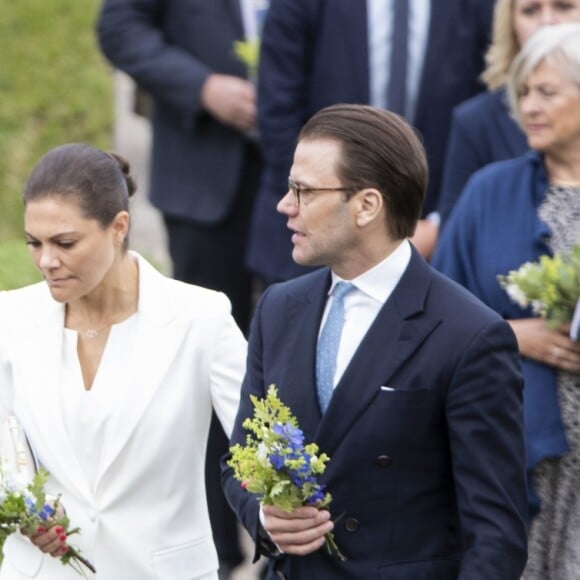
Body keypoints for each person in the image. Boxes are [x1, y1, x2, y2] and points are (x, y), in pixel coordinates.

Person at [223, 104, 528, 579]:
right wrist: (265, 518)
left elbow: (495, 532)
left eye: (303, 190)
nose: (286, 205)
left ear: (367, 205)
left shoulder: (469, 335)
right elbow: (239, 456)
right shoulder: (279, 309)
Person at [0, 143, 246, 579]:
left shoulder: (201, 318)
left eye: (65, 242)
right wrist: (18, 512)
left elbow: (261, 446)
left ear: (119, 227)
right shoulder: (10, 319)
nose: (46, 261)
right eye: (34, 243)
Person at [97, 3, 267, 575]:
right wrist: (202, 87)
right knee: (197, 364)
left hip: (308, 168)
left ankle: (294, 538)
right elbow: (120, 28)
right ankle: (215, 550)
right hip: (202, 169)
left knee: (302, 358)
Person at [432, 23, 580, 579]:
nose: (530, 106)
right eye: (524, 92)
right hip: (514, 445)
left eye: (547, 92)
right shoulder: (488, 191)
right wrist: (514, 334)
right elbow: (432, 319)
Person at [244, 0, 495, 281]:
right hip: (310, 244)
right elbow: (277, 112)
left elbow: (487, 116)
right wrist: (328, 210)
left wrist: (439, 224)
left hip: (434, 248)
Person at [438, 0, 580, 227]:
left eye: (563, 6)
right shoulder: (477, 124)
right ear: (510, 24)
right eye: (530, 10)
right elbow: (455, 246)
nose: (547, 22)